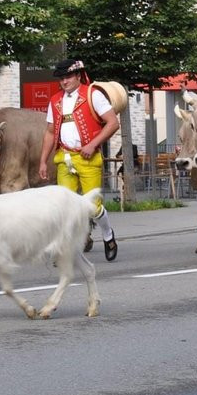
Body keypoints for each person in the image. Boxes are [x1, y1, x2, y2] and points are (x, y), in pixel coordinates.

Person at [38, 59, 120, 261]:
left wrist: (93, 144)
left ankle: (108, 235)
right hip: (64, 157)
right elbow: (50, 132)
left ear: (77, 76)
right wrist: (42, 160)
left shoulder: (93, 95)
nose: (64, 81)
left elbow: (112, 123)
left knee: (92, 207)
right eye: (61, 78)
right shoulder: (55, 101)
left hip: (88, 157)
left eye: (67, 77)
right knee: (64, 206)